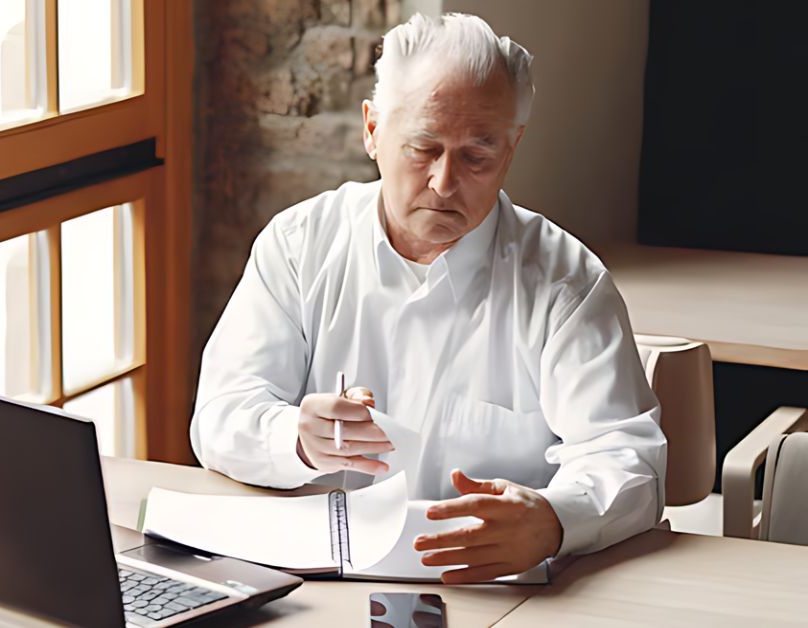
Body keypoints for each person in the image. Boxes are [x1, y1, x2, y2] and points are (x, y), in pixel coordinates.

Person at [190, 13, 667, 584]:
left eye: (476, 156)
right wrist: (294, 437)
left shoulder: (564, 281)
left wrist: (553, 519)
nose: (444, 183)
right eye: (423, 148)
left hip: (497, 592)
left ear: (511, 149)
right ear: (372, 130)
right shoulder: (300, 246)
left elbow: (627, 456)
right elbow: (221, 413)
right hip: (314, 584)